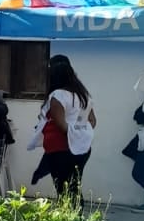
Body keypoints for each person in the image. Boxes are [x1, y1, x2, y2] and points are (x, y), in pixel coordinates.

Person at [30, 55, 96, 201]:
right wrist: (81, 132)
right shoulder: (83, 95)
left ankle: (69, 219)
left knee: (63, 188)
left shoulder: (57, 95)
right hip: (82, 147)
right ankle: (75, 218)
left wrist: (71, 131)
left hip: (59, 148)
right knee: (74, 186)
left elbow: (60, 124)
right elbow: (92, 121)